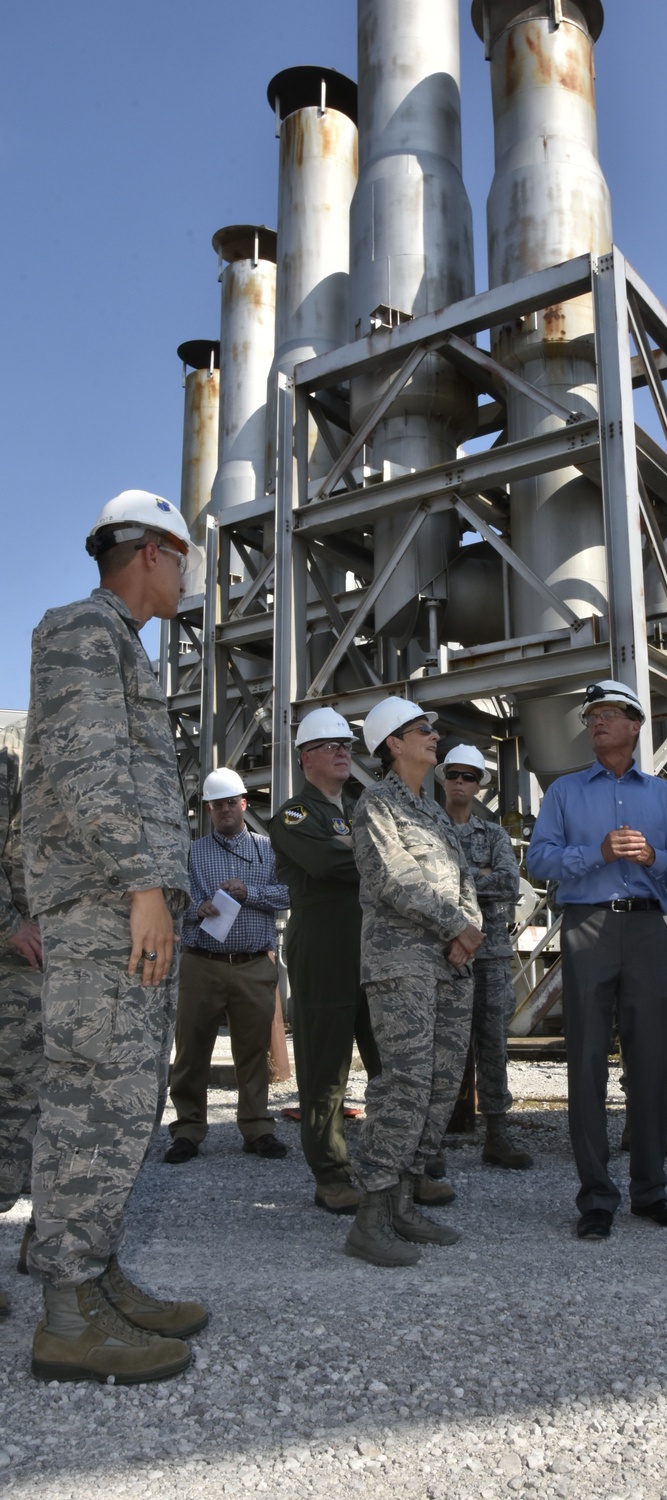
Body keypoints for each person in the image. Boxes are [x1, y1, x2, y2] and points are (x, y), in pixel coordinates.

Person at [21, 490, 208, 1384]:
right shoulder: (80, 631)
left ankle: (94, 1281)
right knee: (96, 1099)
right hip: (104, 904)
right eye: (184, 558)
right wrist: (143, 885)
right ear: (150, 554)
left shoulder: (119, 645)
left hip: (120, 904)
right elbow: (88, 764)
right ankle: (66, 1313)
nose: (187, 576)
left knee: (126, 1102)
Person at [527, 679, 667, 1241]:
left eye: (609, 713)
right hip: (588, 926)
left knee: (653, 1062)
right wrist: (594, 853)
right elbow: (539, 862)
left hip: (648, 927)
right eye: (591, 714)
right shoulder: (564, 793)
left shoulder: (664, 796)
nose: (597, 721)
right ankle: (596, 1196)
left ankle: (651, 1191)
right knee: (586, 1059)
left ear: (635, 726)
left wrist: (654, 857)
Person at [346, 698, 482, 1268]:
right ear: (393, 744)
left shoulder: (430, 812)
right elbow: (396, 880)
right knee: (403, 1084)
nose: (434, 735)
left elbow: (464, 879)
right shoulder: (379, 805)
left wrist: (467, 929)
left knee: (439, 1086)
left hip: (450, 967)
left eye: (433, 728)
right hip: (402, 966)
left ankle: (403, 1201)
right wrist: (457, 925)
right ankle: (371, 1217)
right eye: (422, 730)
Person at [269, 708, 381, 1216]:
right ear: (305, 758)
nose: (343, 751)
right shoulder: (295, 815)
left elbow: (375, 856)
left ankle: (394, 1164)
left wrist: (355, 845)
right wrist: (368, 852)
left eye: (347, 744)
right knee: (326, 1069)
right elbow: (330, 864)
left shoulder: (362, 806)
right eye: (331, 745)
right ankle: (331, 1174)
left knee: (389, 1062)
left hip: (375, 947)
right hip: (324, 948)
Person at [165, 767, 289, 1163]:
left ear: (243, 804)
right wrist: (195, 909)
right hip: (202, 961)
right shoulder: (193, 851)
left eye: (230, 802)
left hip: (254, 962)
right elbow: (172, 906)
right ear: (209, 809)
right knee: (191, 1049)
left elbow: (289, 893)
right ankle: (187, 1130)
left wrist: (249, 891)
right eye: (216, 805)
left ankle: (256, 1128)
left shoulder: (267, 849)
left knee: (253, 1051)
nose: (224, 810)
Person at [438, 744, 532, 1171]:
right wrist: (481, 876)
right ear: (443, 779)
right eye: (454, 774)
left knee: (493, 1044)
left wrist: (458, 878)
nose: (461, 782)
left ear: (479, 785)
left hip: (490, 955)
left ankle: (497, 1132)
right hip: (441, 955)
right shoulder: (429, 829)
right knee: (442, 1047)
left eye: (469, 776)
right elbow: (425, 886)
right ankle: (430, 1140)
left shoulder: (492, 834)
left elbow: (511, 884)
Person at [0, 720, 44, 1319]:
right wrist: (7, 924)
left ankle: (52, 1240)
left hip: (65, 962)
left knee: (53, 1107)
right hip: (17, 969)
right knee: (12, 1105)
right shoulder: (12, 748)